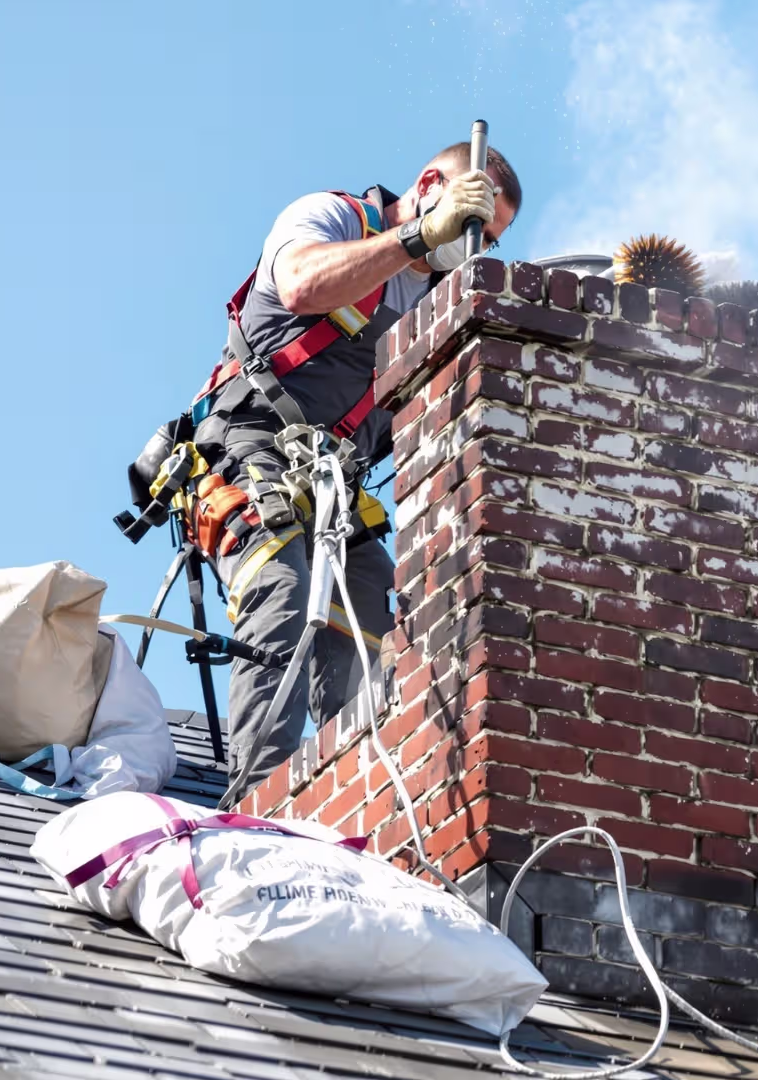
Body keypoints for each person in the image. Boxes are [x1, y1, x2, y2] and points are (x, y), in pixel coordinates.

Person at [187, 143, 521, 806]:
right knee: (282, 586)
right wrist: (418, 234)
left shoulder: (439, 302)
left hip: (334, 487)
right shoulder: (334, 218)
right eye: (471, 222)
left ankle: (351, 810)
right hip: (242, 448)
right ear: (432, 186)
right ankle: (258, 810)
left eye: (490, 236)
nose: (473, 244)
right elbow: (302, 284)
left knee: (375, 637)